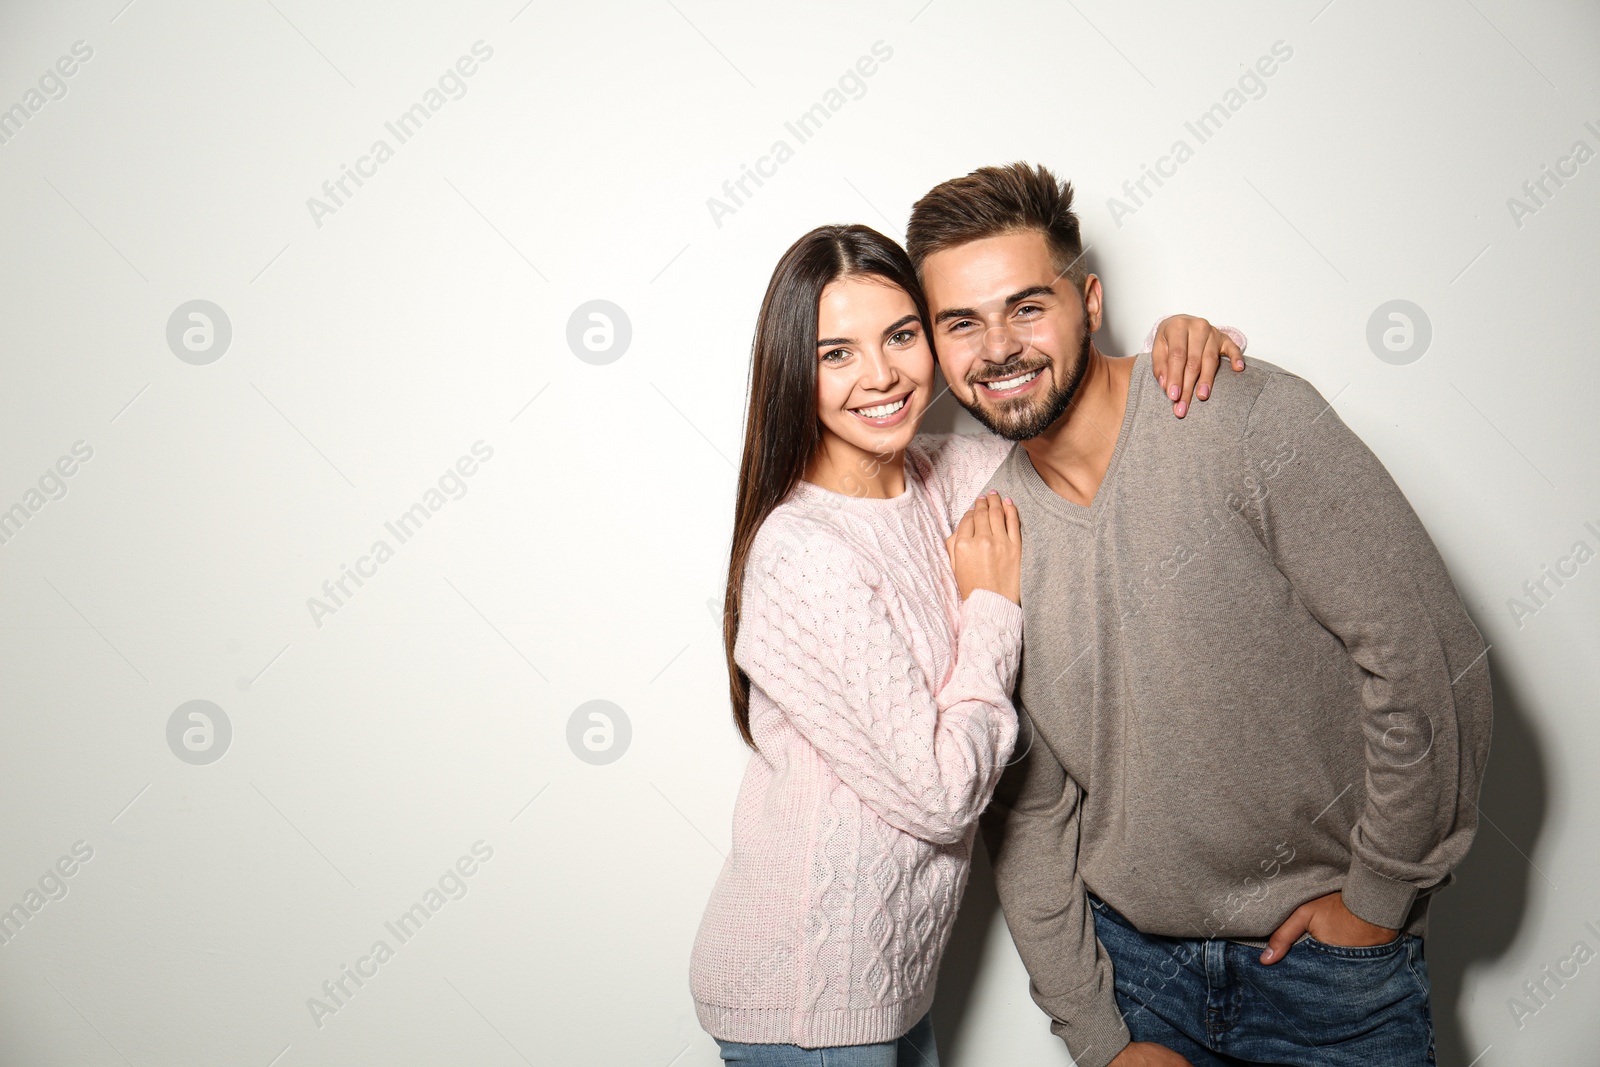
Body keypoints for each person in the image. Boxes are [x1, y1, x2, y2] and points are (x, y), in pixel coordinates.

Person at [904, 162, 1493, 1067]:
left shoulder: (1241, 417)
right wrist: (1099, 1037)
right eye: (961, 322)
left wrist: (1378, 898)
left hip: (1330, 976)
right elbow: (1030, 815)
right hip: (1140, 989)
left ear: (1089, 301)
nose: (998, 348)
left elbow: (1426, 656)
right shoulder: (993, 536)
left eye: (1027, 307)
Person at [688, 221, 1245, 1065]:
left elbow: (1081, 432)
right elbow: (944, 793)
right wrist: (991, 604)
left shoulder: (941, 475)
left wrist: (1187, 347)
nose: (880, 375)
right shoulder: (803, 556)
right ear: (792, 373)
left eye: (901, 336)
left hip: (885, 984)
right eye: (836, 353)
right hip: (803, 1000)